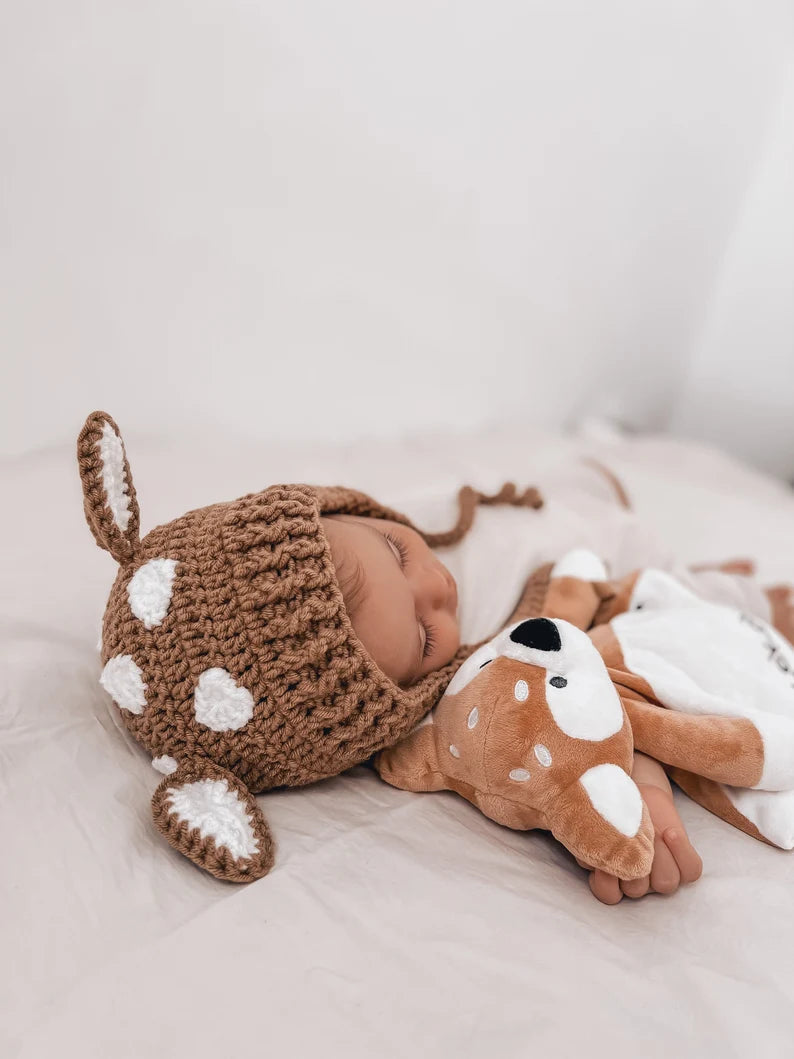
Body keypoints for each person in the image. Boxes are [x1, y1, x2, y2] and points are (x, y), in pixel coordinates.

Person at [321, 468, 794, 904]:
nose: (436, 585)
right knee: (684, 603)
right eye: (425, 634)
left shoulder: (356, 529)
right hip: (614, 572)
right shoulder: (481, 667)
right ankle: (731, 588)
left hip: (555, 495)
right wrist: (645, 791)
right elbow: (582, 713)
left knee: (596, 481)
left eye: (397, 551)